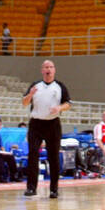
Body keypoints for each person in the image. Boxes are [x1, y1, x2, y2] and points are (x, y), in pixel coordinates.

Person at [23, 60, 70, 197]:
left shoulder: (60, 86)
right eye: (45, 67)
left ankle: (54, 189)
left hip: (53, 124)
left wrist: (59, 108)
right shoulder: (35, 85)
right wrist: (30, 95)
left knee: (53, 156)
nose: (48, 69)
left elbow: (68, 103)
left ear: (54, 70)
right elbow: (24, 103)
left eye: (50, 67)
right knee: (33, 155)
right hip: (36, 124)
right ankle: (31, 188)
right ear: (42, 70)